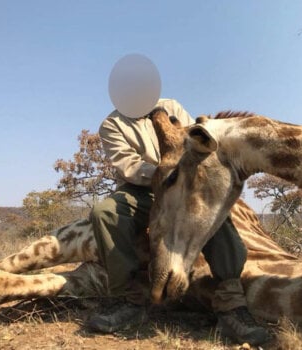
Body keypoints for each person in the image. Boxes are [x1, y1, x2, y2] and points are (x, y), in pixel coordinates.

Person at [86, 98, 270, 346]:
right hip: (143, 188)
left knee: (212, 212)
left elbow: (194, 143)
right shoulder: (112, 125)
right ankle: (128, 301)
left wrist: (182, 177)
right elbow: (128, 166)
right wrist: (165, 173)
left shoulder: (171, 106)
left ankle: (231, 305)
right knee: (104, 213)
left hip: (183, 182)